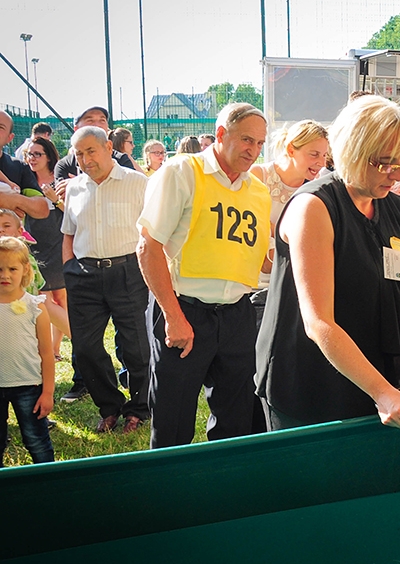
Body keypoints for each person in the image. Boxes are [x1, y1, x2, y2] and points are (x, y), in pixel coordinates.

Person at [256, 95, 400, 431]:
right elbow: (319, 323)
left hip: (387, 380)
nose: (395, 175)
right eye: (384, 163)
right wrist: (382, 392)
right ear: (352, 152)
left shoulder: (394, 208)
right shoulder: (313, 208)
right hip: (316, 386)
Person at [137, 103, 271, 448]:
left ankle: (226, 489)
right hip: (185, 311)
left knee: (236, 419)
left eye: (259, 143)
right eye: (246, 140)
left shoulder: (257, 191)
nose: (253, 150)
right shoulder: (181, 171)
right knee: (172, 420)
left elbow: (260, 260)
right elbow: (148, 247)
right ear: (222, 134)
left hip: (237, 315)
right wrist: (172, 316)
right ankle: (169, 493)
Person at [61, 126, 150, 434]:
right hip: (83, 275)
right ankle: (109, 408)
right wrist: (68, 269)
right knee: (85, 348)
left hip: (128, 273)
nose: (85, 160)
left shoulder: (138, 183)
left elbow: (153, 232)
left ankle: (138, 410)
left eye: (91, 151)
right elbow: (69, 233)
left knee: (137, 347)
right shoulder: (74, 188)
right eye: (79, 153)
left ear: (109, 147)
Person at [248, 119, 329, 324]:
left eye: (324, 155)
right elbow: (263, 257)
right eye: (314, 154)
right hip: (254, 288)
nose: (321, 162)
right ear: (291, 149)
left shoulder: (318, 191)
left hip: (293, 289)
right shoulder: (258, 176)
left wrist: (276, 232)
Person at [0, 236, 55, 465]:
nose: (4, 275)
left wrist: (48, 392)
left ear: (25, 270)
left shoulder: (36, 307)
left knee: (36, 439)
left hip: (29, 386)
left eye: (12, 268)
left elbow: (46, 353)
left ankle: (48, 481)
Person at [23, 136, 71, 357]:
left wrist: (55, 198)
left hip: (57, 241)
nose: (32, 158)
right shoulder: (25, 179)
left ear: (49, 156)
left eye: (37, 154)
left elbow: (72, 213)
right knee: (43, 297)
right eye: (29, 154)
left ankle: (55, 347)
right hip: (32, 242)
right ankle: (56, 347)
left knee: (60, 298)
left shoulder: (59, 179)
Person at [54, 106, 134, 181]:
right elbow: (62, 194)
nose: (97, 125)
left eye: (102, 120)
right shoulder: (64, 166)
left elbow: (127, 190)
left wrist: (79, 185)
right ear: (76, 129)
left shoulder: (122, 160)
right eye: (90, 120)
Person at [0, 111, 50, 222]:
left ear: (10, 138)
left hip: (11, 238)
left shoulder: (19, 166)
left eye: (0, 127)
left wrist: (15, 200)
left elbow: (42, 208)